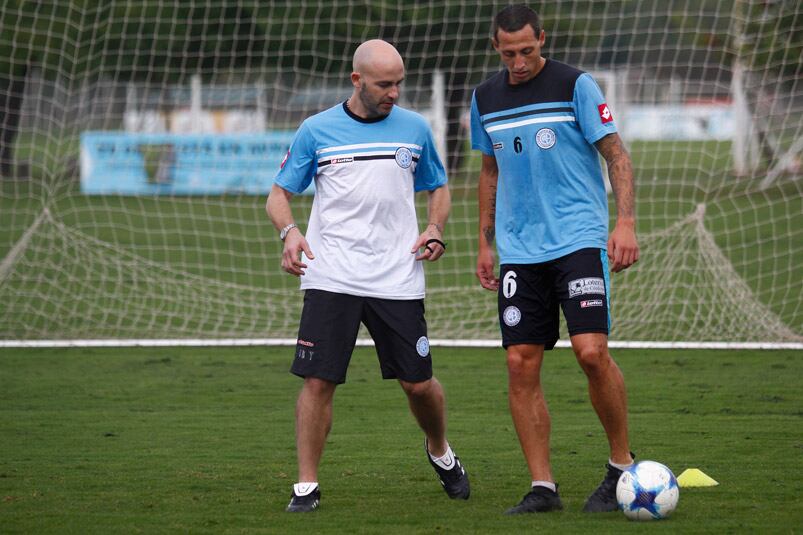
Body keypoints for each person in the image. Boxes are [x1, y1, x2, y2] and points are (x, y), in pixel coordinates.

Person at [267, 39, 470, 513]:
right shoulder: (316, 130)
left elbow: (438, 186)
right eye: (384, 84)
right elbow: (278, 196)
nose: (394, 92)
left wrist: (435, 227)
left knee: (418, 384)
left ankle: (439, 449)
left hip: (397, 276)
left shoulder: (414, 129)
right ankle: (306, 486)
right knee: (318, 381)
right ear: (357, 80)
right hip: (331, 273)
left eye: (399, 82)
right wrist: (290, 233)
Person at [470, 5, 639, 514]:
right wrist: (484, 241)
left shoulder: (577, 86)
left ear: (542, 39)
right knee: (520, 363)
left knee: (591, 352)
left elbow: (617, 154)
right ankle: (542, 487)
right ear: (495, 47)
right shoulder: (484, 97)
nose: (519, 62)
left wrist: (625, 222)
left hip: (578, 238)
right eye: (509, 52)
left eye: (527, 50)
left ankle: (621, 466)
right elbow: (489, 170)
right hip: (520, 249)